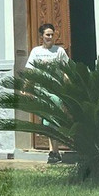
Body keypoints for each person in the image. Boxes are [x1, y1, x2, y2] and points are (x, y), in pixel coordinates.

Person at [26, 22, 69, 163]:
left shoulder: (59, 51)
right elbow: (31, 72)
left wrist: (68, 88)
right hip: (41, 90)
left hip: (55, 90)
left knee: (53, 119)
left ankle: (54, 152)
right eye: (47, 35)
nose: (50, 37)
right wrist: (27, 88)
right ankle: (54, 152)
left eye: (52, 34)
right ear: (41, 36)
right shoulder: (36, 52)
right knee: (47, 121)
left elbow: (66, 71)